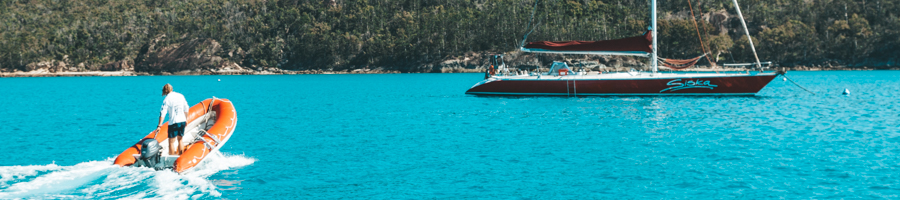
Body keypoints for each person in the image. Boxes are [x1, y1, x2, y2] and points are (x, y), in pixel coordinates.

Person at [159, 83, 189, 155]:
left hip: (174, 122)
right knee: (180, 139)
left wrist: (159, 125)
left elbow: (163, 113)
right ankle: (181, 155)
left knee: (171, 142)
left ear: (164, 91)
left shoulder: (167, 99)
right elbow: (186, 108)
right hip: (182, 120)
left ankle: (171, 158)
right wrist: (185, 119)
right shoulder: (180, 96)